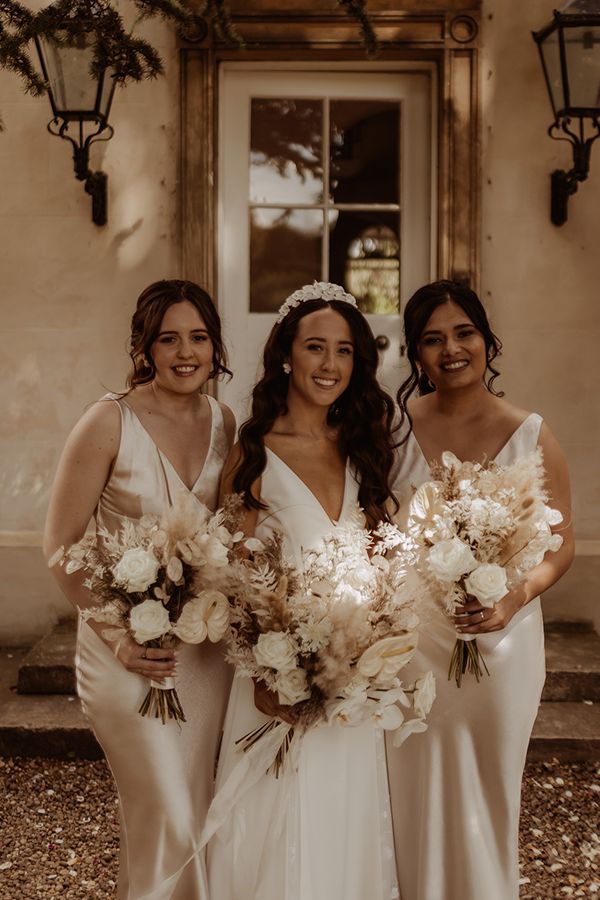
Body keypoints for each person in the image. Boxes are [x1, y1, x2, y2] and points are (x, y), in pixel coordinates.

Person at [206, 282, 399, 900]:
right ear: (286, 355)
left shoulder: (363, 449)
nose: (330, 364)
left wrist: (377, 643)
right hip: (278, 681)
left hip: (353, 681)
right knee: (280, 822)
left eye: (344, 351)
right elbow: (232, 572)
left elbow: (381, 563)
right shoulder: (255, 452)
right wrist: (265, 669)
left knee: (344, 822)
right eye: (315, 347)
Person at [44, 280, 236, 900]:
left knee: (186, 811)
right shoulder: (108, 421)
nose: (186, 353)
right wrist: (120, 639)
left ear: (215, 346)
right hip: (123, 651)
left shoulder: (225, 423)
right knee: (168, 811)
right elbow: (61, 545)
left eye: (199, 338)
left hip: (202, 656)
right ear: (145, 347)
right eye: (169, 339)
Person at [387, 279, 574, 900]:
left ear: (487, 341)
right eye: (432, 339)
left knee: (490, 786)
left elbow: (562, 543)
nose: (451, 350)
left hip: (501, 640)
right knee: (410, 782)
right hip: (413, 642)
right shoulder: (393, 430)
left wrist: (514, 599)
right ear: (416, 354)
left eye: (463, 333)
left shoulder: (531, 434)